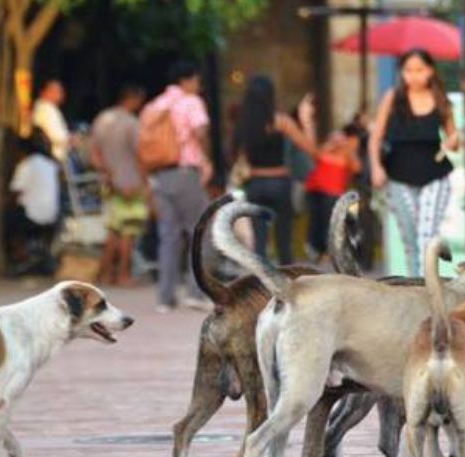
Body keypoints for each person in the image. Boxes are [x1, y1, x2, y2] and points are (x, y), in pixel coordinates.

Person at [369, 48, 459, 277]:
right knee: (410, 238)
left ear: (430, 71)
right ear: (402, 72)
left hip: (435, 175)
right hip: (398, 175)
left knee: (426, 237)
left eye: (420, 70)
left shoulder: (441, 99)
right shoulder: (393, 97)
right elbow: (376, 137)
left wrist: (454, 140)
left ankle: (427, 289)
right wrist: (376, 167)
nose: (414, 75)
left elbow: (454, 139)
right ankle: (417, 289)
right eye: (408, 70)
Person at [143, 60, 214, 313]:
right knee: (200, 232)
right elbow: (201, 132)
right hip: (185, 172)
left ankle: (165, 297)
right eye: (197, 80)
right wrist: (206, 158)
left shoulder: (157, 103)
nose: (198, 85)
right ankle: (195, 292)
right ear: (188, 80)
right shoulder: (190, 101)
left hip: (160, 175)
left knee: (168, 237)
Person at [232, 77, 320, 266]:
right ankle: (287, 284)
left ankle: (261, 288)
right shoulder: (281, 121)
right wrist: (307, 121)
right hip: (279, 182)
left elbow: (237, 156)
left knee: (260, 242)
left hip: (254, 183)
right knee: (283, 240)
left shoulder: (244, 124)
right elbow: (310, 148)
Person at [91, 84, 147, 286]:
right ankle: (123, 275)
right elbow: (141, 155)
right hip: (131, 183)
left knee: (113, 231)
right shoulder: (132, 123)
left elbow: (94, 154)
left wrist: (107, 175)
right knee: (128, 232)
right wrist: (145, 181)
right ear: (132, 98)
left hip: (110, 183)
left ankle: (104, 275)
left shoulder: (102, 119)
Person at [303, 122, 363, 264]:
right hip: (316, 191)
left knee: (330, 223)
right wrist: (328, 147)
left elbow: (357, 168)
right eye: (334, 138)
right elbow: (314, 155)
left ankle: (328, 252)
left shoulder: (346, 155)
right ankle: (316, 249)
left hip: (333, 193)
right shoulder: (324, 151)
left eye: (340, 139)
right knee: (316, 222)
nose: (337, 142)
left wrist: (348, 149)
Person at [6, 136, 60, 275]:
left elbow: (16, 192)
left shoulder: (26, 165)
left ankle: (20, 254)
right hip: (52, 216)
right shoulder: (51, 164)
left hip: (32, 217)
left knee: (7, 220)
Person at [32, 79, 70, 164]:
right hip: (52, 157)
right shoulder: (46, 108)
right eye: (57, 91)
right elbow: (55, 135)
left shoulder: (47, 107)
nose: (60, 95)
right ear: (47, 91)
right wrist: (71, 139)